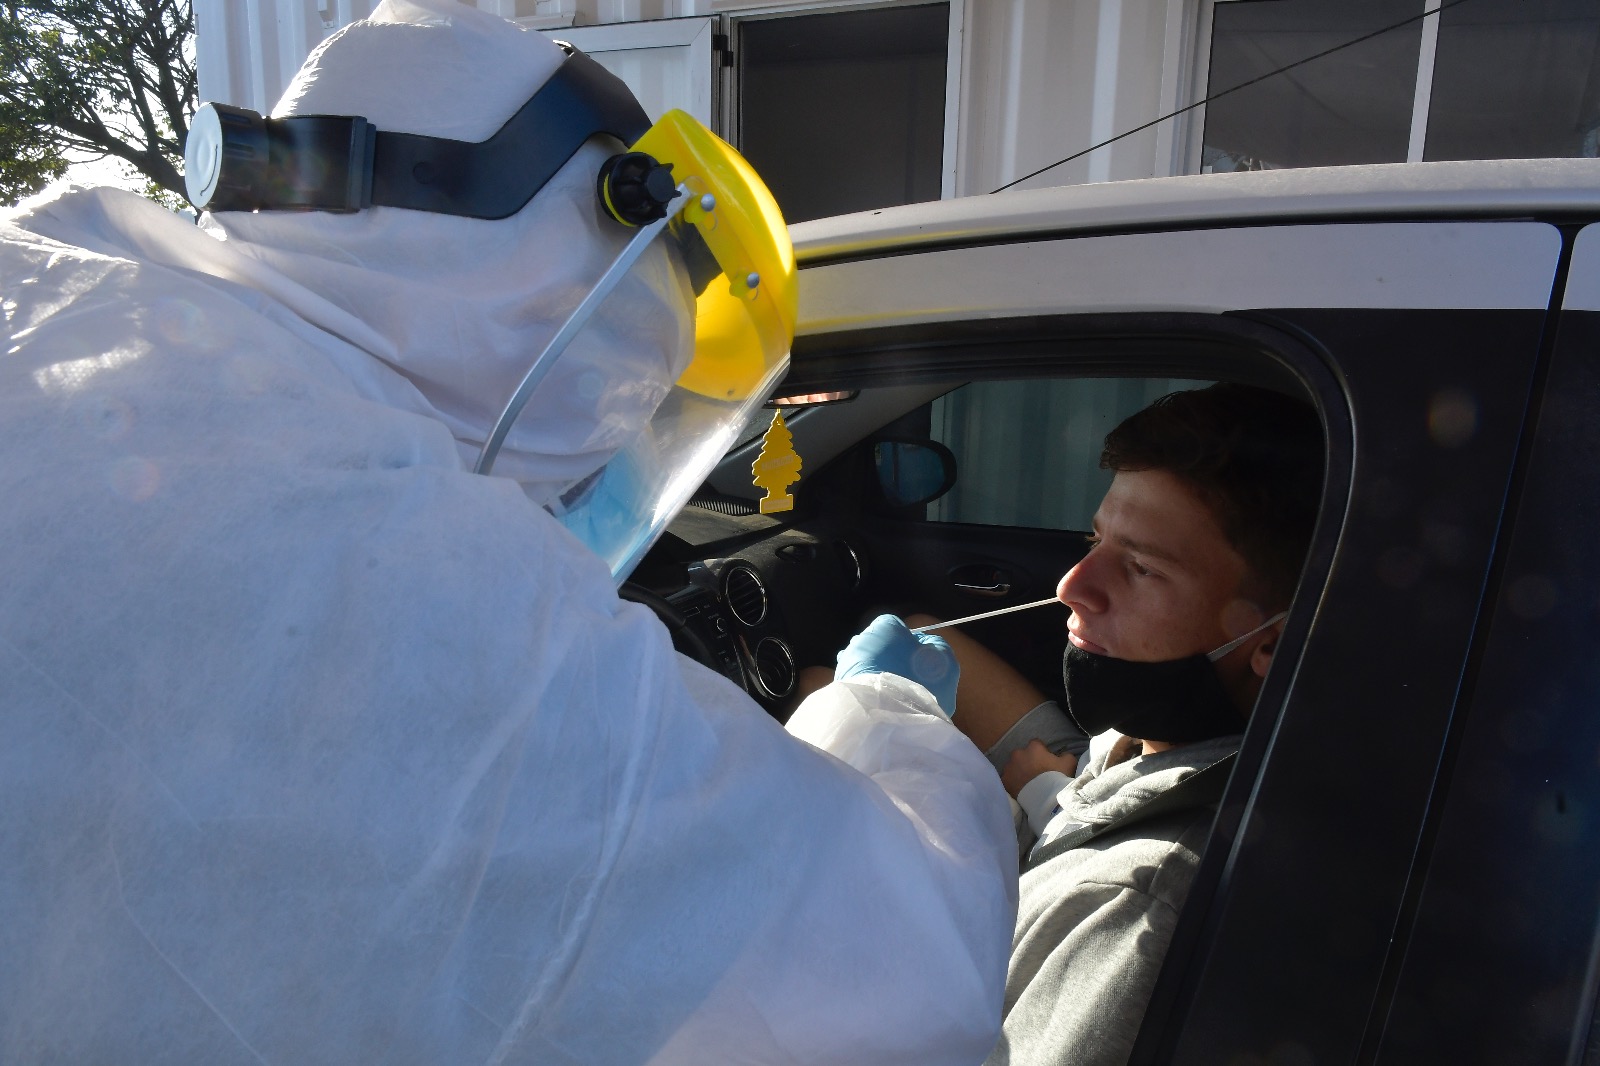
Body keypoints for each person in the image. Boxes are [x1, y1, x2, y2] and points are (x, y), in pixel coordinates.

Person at [0, 3, 1018, 1063]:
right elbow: (900, 986)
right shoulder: (429, 590)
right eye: (624, 395)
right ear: (571, 295)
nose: (590, 469)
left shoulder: (56, 294)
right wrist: (889, 722)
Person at [933, 383, 1323, 1066]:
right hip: (1086, 783)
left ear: (1270, 641)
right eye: (1096, 539)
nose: (1071, 585)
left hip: (1054, 866)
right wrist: (1053, 791)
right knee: (921, 634)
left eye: (1142, 568)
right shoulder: (1164, 727)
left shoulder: (1136, 904)